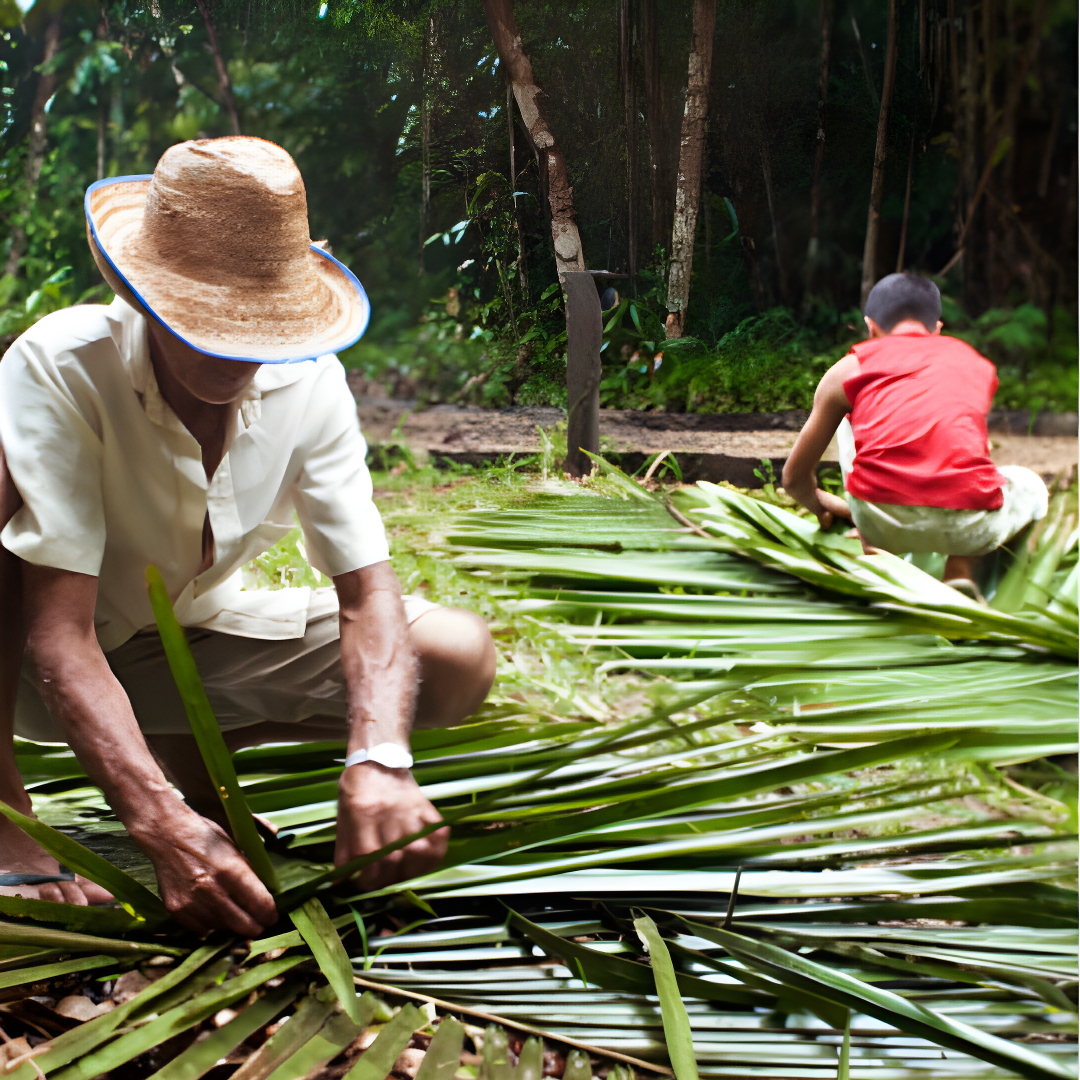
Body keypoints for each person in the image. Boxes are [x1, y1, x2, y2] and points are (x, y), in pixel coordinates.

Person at [0, 137, 496, 935]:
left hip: (175, 652)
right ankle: (2, 804)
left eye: (258, 322)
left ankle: (182, 753)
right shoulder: (64, 363)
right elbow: (58, 636)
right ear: (142, 288)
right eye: (201, 318)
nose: (231, 350)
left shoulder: (312, 379)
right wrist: (159, 825)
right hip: (36, 661)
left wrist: (378, 759)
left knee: (453, 658)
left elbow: (367, 592)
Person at [782, 273, 1048, 595]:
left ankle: (879, 555)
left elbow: (794, 480)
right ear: (937, 330)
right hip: (972, 526)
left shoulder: (848, 370)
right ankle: (960, 569)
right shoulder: (974, 364)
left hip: (879, 521)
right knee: (1032, 486)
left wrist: (823, 505)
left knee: (847, 412)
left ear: (871, 327)